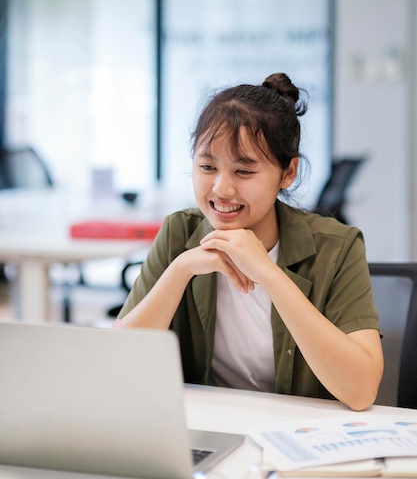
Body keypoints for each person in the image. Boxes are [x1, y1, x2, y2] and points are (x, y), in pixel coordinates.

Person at [114, 72, 383, 411]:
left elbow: (360, 391)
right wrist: (180, 269)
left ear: (288, 173)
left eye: (244, 172)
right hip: (210, 430)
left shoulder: (338, 246)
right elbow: (119, 365)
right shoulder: (179, 233)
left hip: (298, 437)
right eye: (207, 166)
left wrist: (269, 275)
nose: (221, 189)